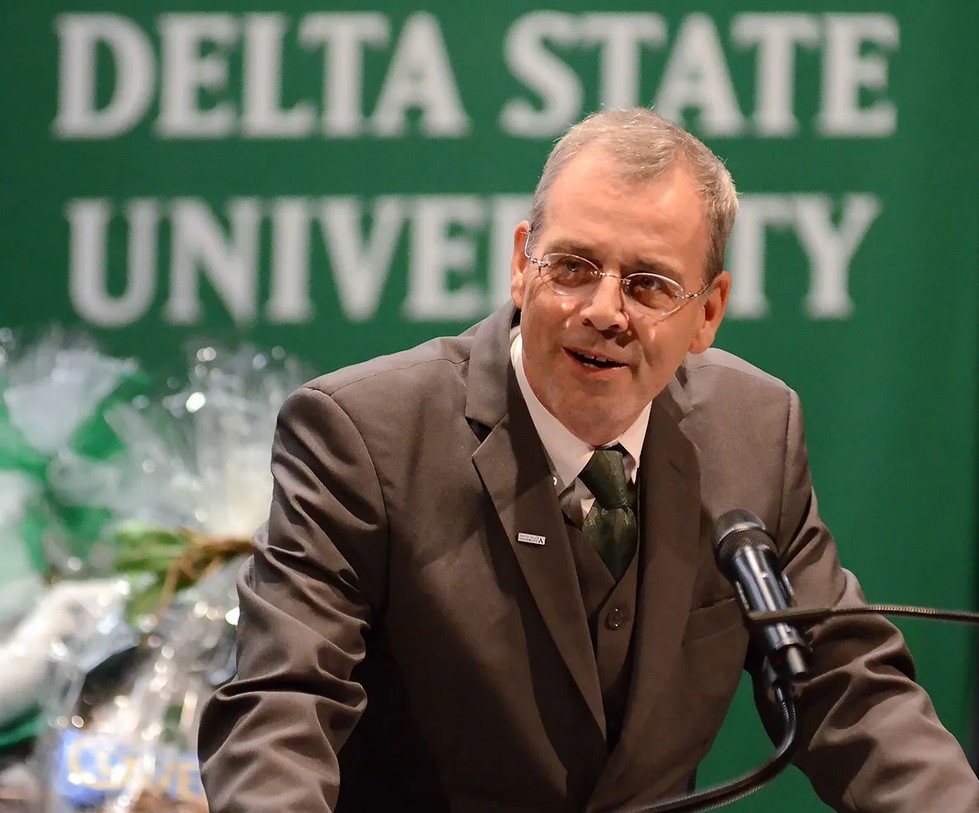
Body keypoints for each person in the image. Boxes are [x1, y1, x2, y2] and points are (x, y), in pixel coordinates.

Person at [197, 108, 979, 812]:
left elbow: (844, 686)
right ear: (520, 263)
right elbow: (281, 703)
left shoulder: (750, 431)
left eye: (648, 285)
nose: (603, 311)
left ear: (707, 312)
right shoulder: (366, 435)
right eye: (571, 266)